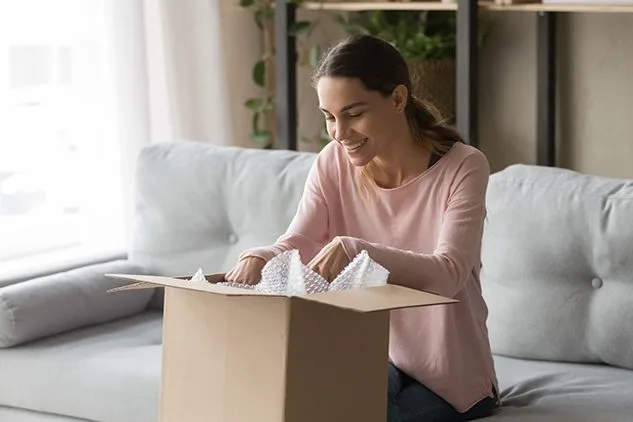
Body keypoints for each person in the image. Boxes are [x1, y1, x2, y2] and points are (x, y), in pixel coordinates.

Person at [226, 34, 499, 422]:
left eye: (353, 114)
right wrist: (260, 256)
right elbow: (299, 240)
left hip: (453, 376)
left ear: (399, 99)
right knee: (311, 401)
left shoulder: (464, 166)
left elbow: (449, 274)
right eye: (329, 117)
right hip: (377, 356)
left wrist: (358, 250)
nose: (339, 132)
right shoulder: (332, 162)